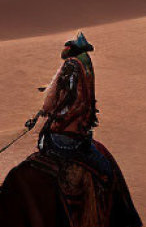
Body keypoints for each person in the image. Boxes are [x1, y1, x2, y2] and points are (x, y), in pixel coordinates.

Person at [25, 32, 111, 177]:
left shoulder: (70, 65)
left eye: (67, 47)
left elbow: (56, 99)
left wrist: (45, 110)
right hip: (79, 128)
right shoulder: (84, 64)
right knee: (104, 169)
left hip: (63, 130)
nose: (64, 50)